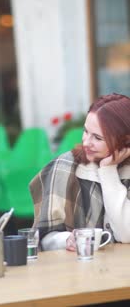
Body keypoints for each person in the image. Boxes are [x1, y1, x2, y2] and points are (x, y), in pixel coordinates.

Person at [29, 93, 130, 252]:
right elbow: (43, 238)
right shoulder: (64, 167)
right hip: (72, 273)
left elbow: (126, 235)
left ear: (125, 141)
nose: (86, 142)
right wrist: (66, 240)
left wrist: (108, 171)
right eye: (86, 131)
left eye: (97, 137)